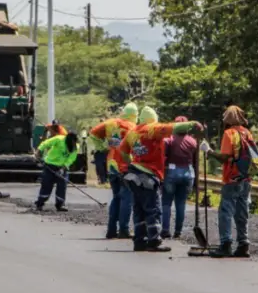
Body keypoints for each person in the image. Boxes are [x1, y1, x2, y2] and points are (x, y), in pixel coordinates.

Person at [120, 106, 202, 252]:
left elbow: (122, 150)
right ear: (154, 119)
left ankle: (139, 240)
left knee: (138, 208)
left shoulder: (132, 132)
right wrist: (193, 124)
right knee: (153, 208)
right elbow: (174, 127)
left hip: (133, 173)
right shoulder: (153, 129)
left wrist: (131, 160)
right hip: (148, 174)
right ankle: (154, 240)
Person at [202, 105, 255, 258]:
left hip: (232, 178)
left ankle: (225, 244)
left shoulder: (229, 133)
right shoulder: (247, 133)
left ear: (227, 119)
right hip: (246, 178)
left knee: (225, 211)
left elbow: (225, 157)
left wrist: (209, 151)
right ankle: (243, 244)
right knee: (242, 212)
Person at [90, 103, 138, 239]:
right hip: (125, 166)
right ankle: (124, 230)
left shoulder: (111, 123)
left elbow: (93, 133)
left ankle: (111, 230)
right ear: (135, 115)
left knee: (116, 197)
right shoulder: (132, 127)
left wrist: (103, 147)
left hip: (111, 164)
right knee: (127, 198)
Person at [160, 116, 198, 239]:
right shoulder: (193, 141)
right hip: (188, 172)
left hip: (171, 172)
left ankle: (165, 230)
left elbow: (163, 158)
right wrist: (196, 181)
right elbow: (195, 162)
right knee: (181, 203)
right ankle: (178, 232)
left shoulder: (169, 140)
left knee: (166, 202)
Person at [34, 132, 80, 212]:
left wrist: (64, 168)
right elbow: (45, 143)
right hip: (49, 166)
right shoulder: (59, 139)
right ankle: (40, 204)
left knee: (62, 186)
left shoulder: (76, 146)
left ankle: (60, 204)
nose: (73, 144)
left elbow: (71, 158)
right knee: (46, 185)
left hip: (62, 168)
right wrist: (38, 151)